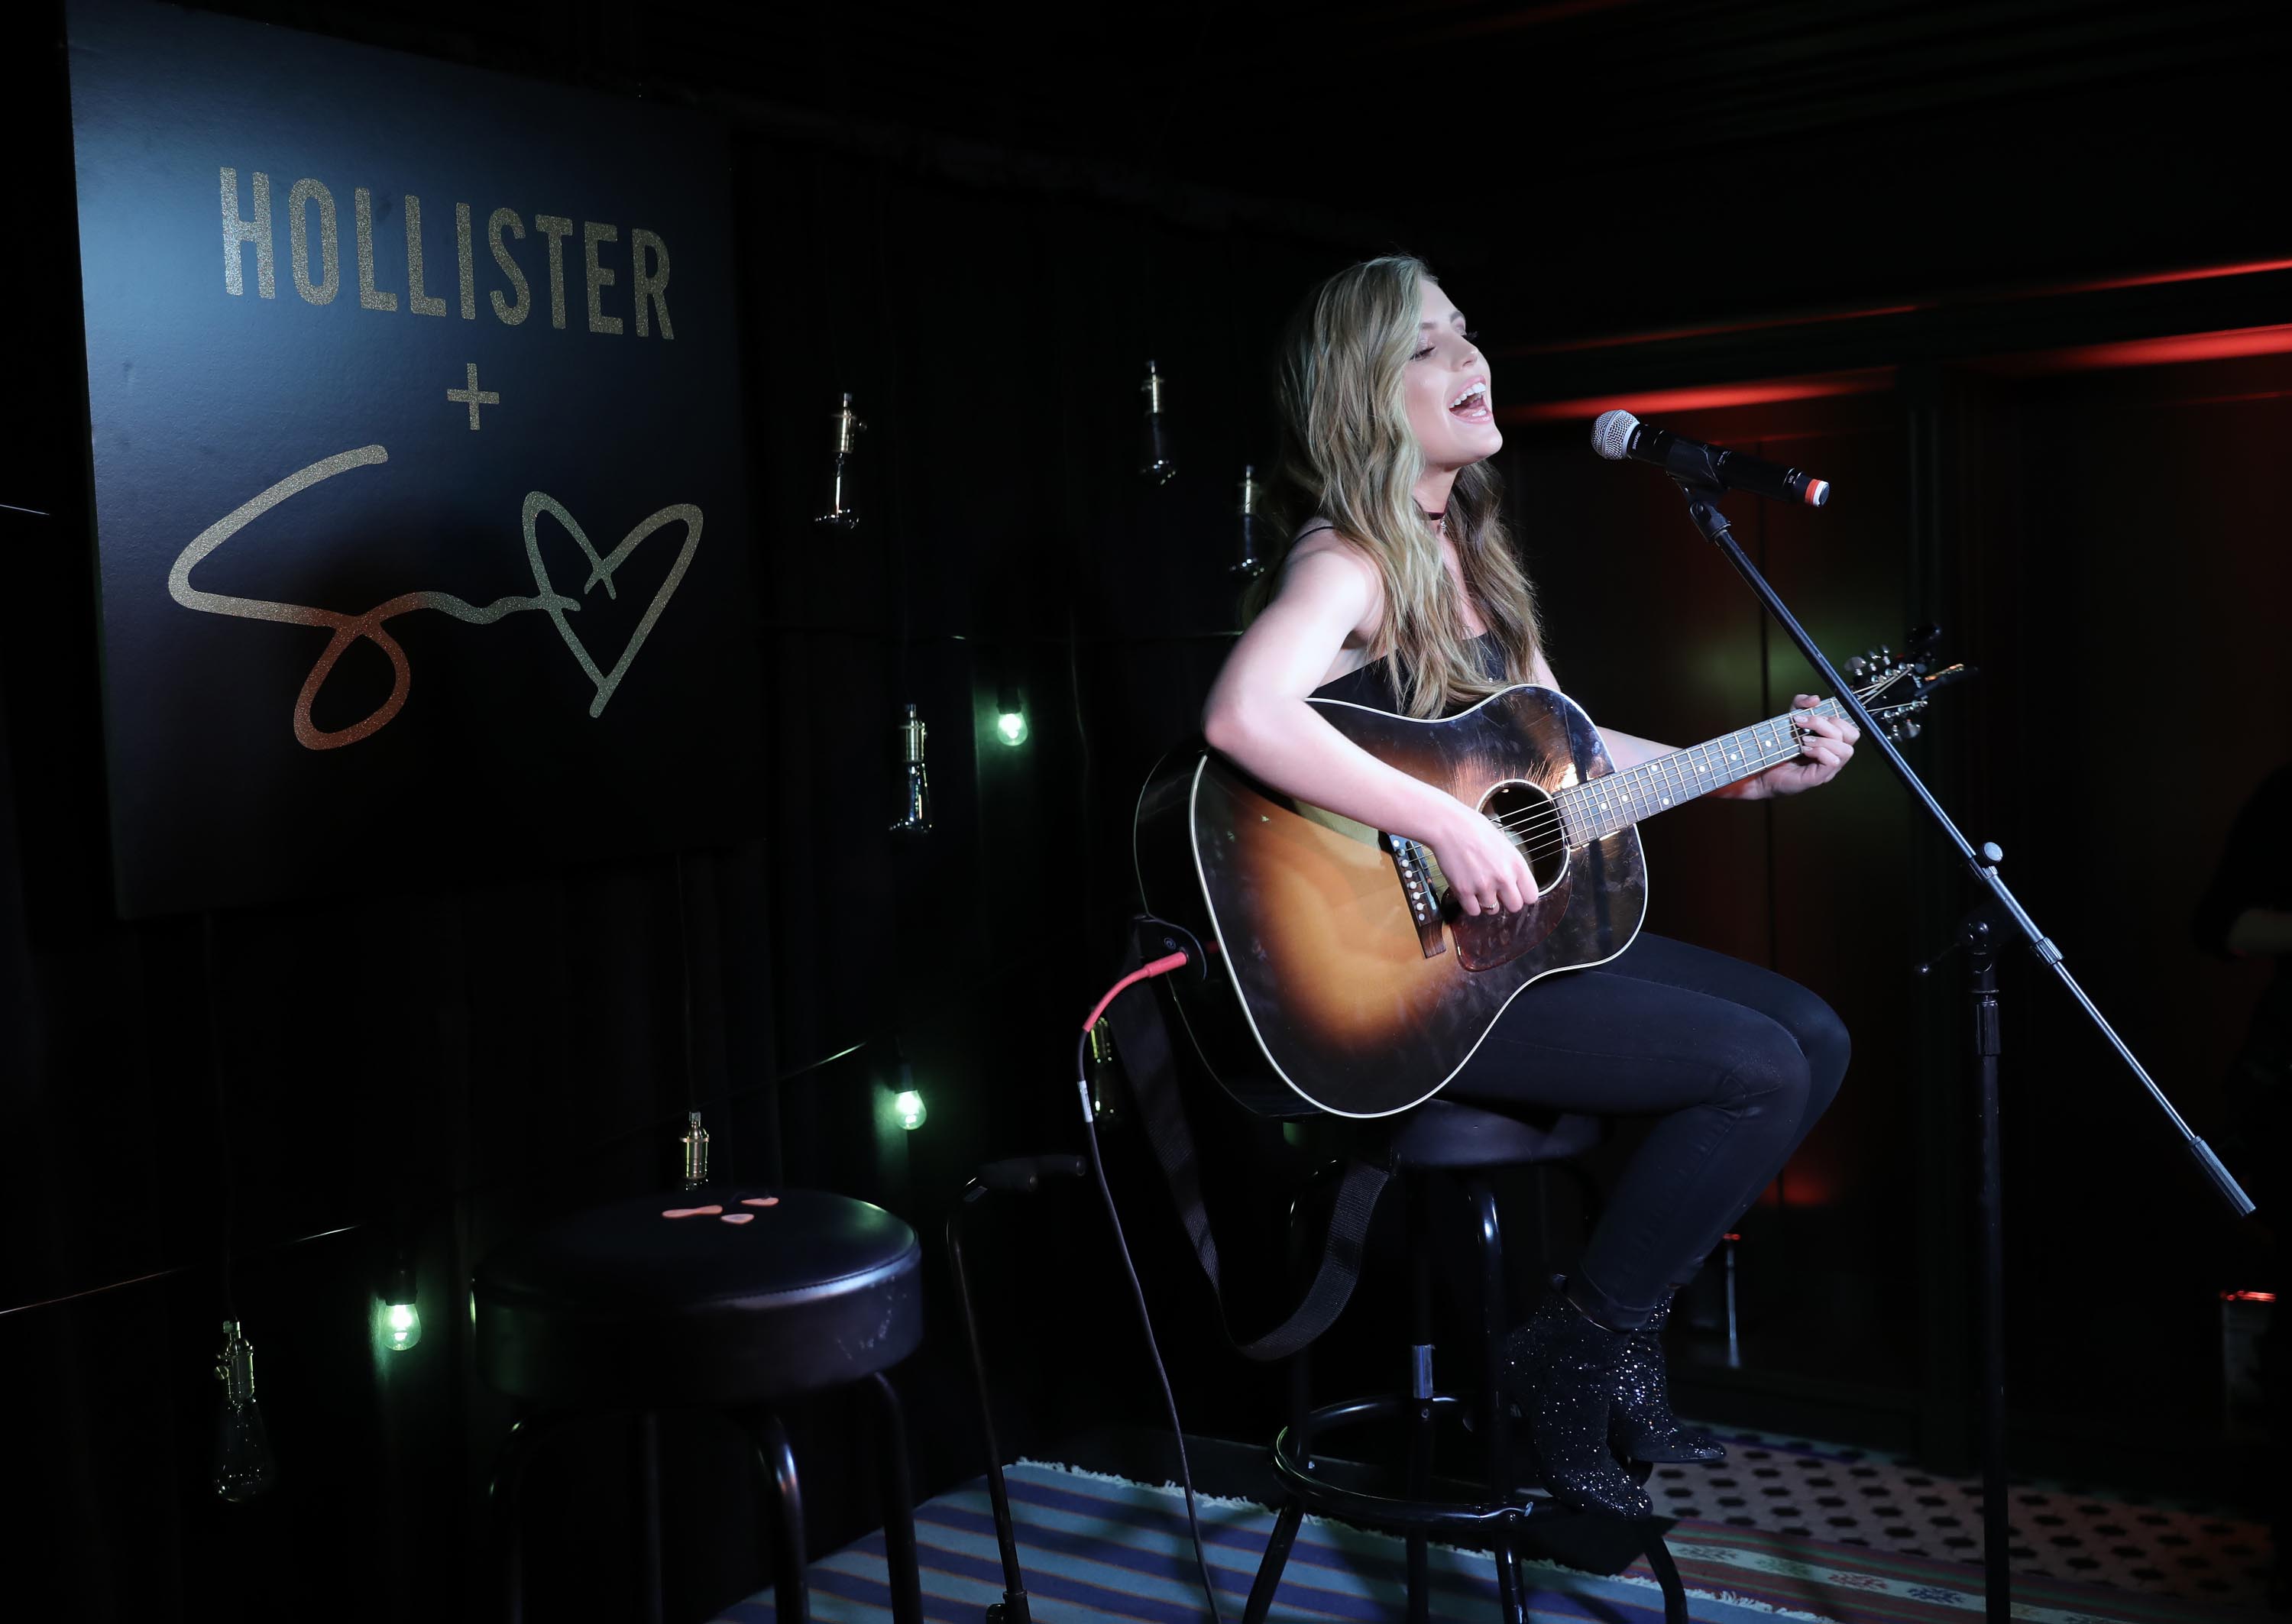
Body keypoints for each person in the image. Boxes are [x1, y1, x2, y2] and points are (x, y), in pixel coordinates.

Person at [1197, 254, 1857, 1517]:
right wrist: (1438, 827)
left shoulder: (1474, 558)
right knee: (1757, 1067)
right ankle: (1580, 1347)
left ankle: (1599, 1331)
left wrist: (1756, 769)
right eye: (1428, 348)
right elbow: (1241, 709)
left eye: (1469, 335)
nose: (1471, 361)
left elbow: (1576, 757)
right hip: (1411, 975)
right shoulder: (1351, 560)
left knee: (1814, 1035)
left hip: (1511, 946)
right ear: (1362, 394)